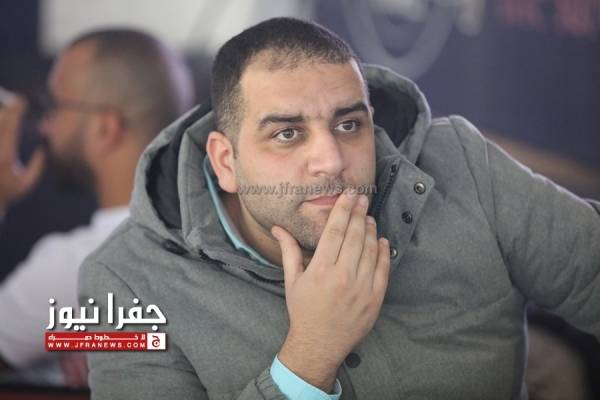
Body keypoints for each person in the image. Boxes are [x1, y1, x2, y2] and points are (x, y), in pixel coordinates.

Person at [78, 17, 599, 399]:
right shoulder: (124, 280)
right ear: (226, 161)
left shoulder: (464, 168)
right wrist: (309, 357)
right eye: (287, 134)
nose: (330, 159)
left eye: (349, 125)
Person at [0, 28, 194, 378]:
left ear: (105, 129)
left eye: (53, 106)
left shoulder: (76, 268)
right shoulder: (218, 247)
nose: (44, 126)